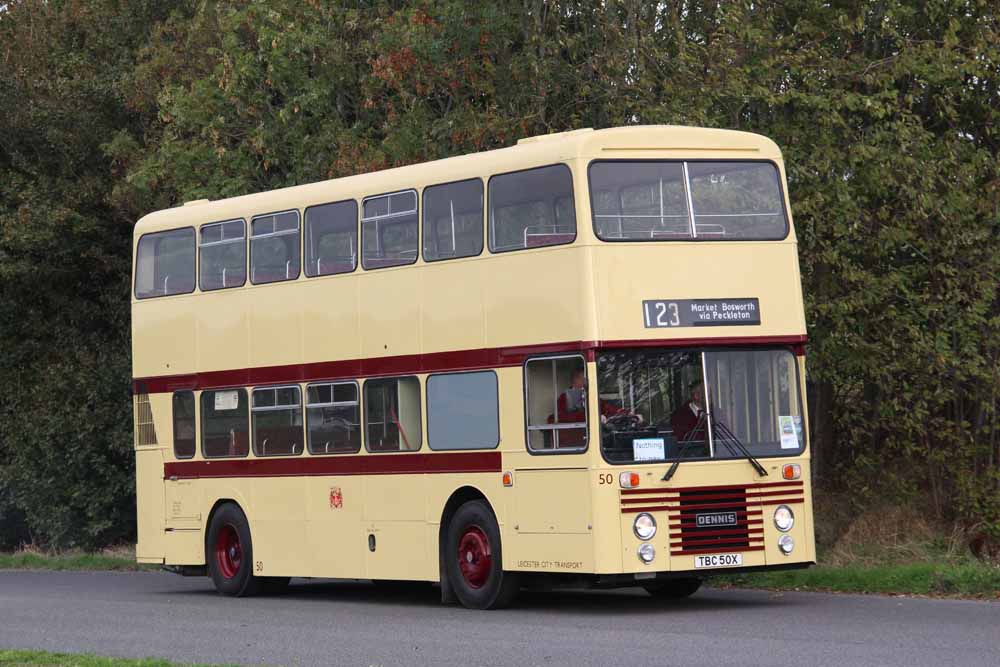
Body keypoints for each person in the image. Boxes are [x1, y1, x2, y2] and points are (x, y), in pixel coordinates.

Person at [552, 369, 641, 447]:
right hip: (575, 443)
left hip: (594, 440)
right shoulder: (564, 399)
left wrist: (628, 414)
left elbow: (608, 408)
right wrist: (594, 417)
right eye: (584, 379)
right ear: (575, 379)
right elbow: (561, 417)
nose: (587, 382)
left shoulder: (591, 397)